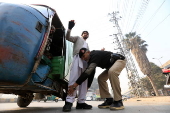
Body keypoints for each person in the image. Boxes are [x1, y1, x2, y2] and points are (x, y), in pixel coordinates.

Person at [62, 20, 92, 112]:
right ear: (82, 34)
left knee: (84, 81)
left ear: (88, 36)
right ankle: (69, 102)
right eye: (84, 33)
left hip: (85, 61)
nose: (85, 34)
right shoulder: (77, 38)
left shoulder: (87, 44)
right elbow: (67, 37)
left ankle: (81, 102)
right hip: (77, 58)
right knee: (74, 78)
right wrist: (69, 29)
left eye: (87, 33)